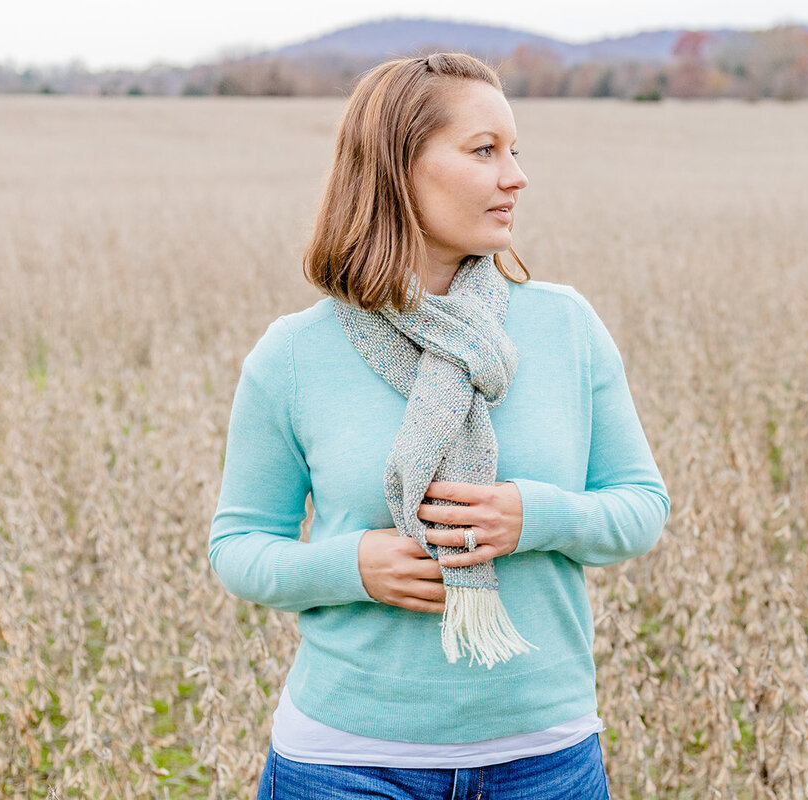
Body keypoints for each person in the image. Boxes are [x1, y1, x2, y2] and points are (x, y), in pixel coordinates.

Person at [209, 52, 670, 799]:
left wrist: (536, 516)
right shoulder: (294, 355)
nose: (515, 176)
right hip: (344, 763)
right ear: (397, 167)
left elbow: (643, 508)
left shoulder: (565, 325)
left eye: (514, 151)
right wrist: (351, 567)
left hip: (545, 759)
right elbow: (237, 546)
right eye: (484, 150)